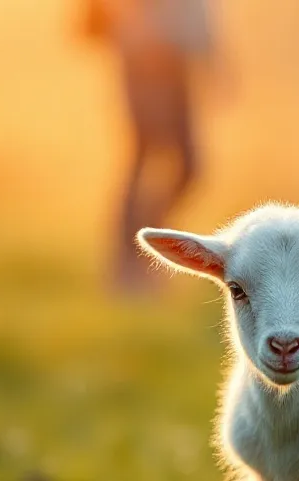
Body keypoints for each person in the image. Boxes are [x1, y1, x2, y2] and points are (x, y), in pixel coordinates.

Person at [83, 0, 216, 292]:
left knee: (188, 166)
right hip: (143, 55)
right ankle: (130, 263)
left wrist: (211, 53)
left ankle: (145, 240)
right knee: (143, 155)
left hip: (177, 58)